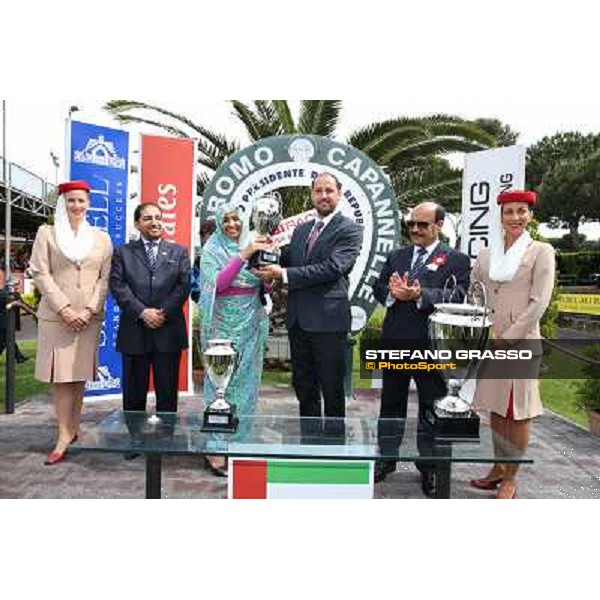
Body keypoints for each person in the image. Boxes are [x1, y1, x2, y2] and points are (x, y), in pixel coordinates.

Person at [372, 201, 471, 495]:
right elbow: (378, 287)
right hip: (395, 341)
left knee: (431, 406)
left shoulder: (456, 260)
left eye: (422, 225)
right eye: (412, 224)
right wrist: (390, 292)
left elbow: (458, 294)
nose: (415, 229)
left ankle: (430, 467)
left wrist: (420, 295)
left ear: (439, 225)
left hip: (432, 346)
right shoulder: (397, 255)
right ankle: (386, 459)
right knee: (391, 404)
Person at [257, 172, 363, 434]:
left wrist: (283, 274)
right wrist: (263, 251)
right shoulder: (302, 230)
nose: (324, 196)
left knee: (332, 388)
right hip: (298, 320)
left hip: (328, 321)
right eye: (318, 191)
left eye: (329, 190)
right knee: (304, 385)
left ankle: (335, 446)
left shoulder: (349, 229)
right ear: (312, 194)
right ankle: (310, 440)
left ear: (339, 193)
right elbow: (288, 260)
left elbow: (333, 268)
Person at [470, 190, 555, 499]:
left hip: (520, 342)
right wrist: (482, 327)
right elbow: (476, 292)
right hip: (491, 340)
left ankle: (511, 478)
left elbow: (539, 301)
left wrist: (508, 336)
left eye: (522, 211)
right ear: (501, 216)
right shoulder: (487, 253)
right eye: (509, 212)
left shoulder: (541, 251)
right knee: (495, 408)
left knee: (517, 410)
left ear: (530, 215)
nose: (516, 217)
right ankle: (497, 469)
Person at [28, 180, 113, 465]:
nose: (77, 206)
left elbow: (105, 279)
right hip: (57, 317)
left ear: (89, 203)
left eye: (81, 201)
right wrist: (64, 308)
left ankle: (73, 428)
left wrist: (89, 310)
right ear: (62, 203)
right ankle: (63, 434)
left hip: (88, 319)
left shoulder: (101, 238)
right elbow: (41, 273)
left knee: (78, 377)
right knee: (62, 379)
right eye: (71, 201)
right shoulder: (47, 233)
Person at [199, 203, 273, 476]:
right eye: (226, 220)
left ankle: (240, 444)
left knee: (246, 386)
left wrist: (267, 277)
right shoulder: (212, 250)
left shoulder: (254, 243)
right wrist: (244, 255)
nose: (232, 224)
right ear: (219, 223)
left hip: (251, 323)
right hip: (221, 327)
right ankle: (215, 447)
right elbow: (218, 283)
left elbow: (263, 285)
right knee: (220, 386)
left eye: (236, 219)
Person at [110, 202, 190, 427]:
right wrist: (142, 312)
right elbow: (118, 286)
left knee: (167, 391)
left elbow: (183, 286)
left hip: (168, 331)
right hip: (135, 331)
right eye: (147, 218)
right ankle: (135, 439)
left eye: (158, 217)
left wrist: (162, 312)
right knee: (134, 393)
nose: (154, 222)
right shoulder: (122, 252)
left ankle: (165, 438)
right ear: (137, 223)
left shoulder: (179, 251)